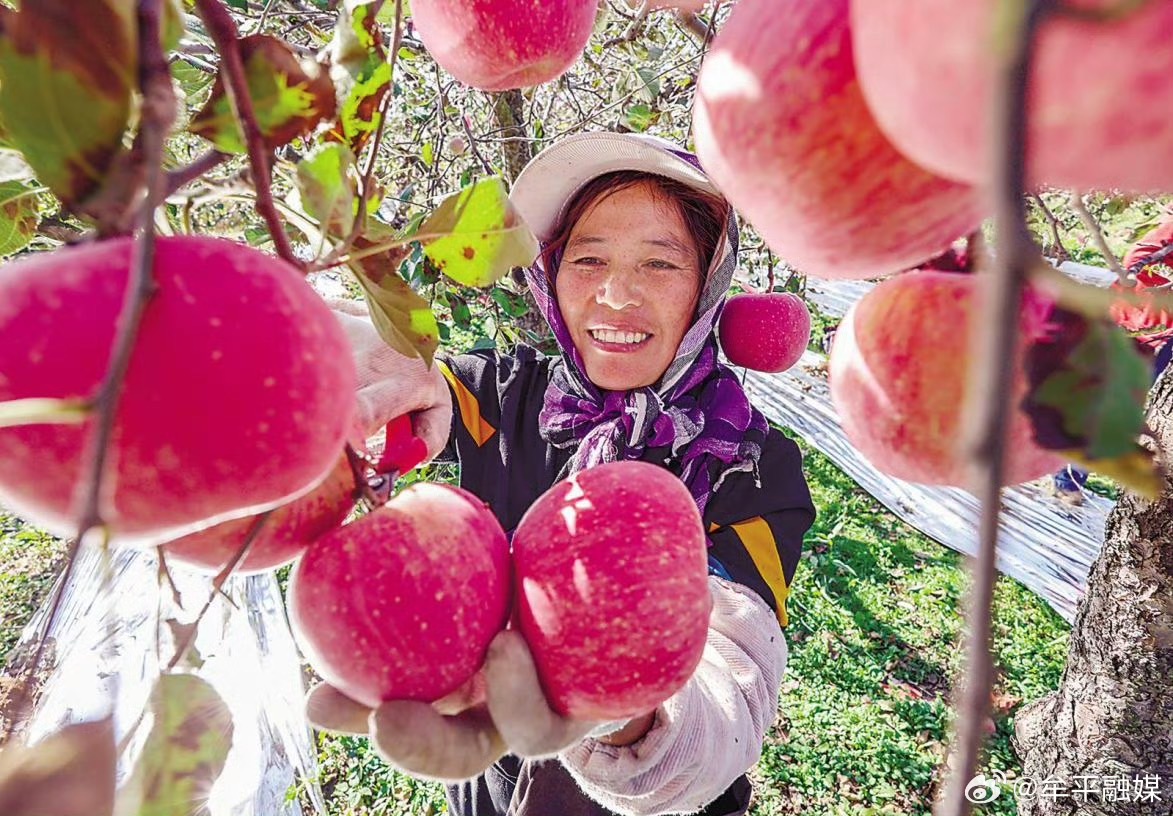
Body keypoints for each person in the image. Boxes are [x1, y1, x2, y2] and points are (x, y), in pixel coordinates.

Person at [307, 132, 817, 816]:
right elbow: (425, 393)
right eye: (587, 259)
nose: (614, 295)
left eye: (660, 265)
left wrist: (621, 717)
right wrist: (388, 356)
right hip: (491, 790)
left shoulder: (751, 465)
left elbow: (734, 687)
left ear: (708, 285)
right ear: (549, 275)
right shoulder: (509, 396)